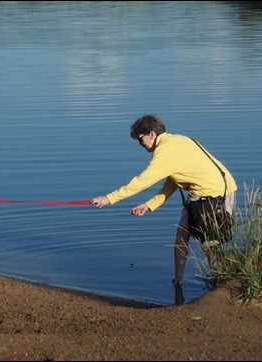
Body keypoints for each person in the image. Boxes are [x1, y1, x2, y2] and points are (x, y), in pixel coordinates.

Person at [91, 114, 237, 303]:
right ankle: (178, 282)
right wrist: (149, 205)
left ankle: (223, 286)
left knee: (210, 244)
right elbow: (173, 181)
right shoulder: (176, 142)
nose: (140, 144)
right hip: (199, 195)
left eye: (140, 139)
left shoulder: (165, 151)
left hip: (214, 195)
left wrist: (109, 198)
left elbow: (141, 181)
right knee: (181, 236)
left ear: (152, 134)